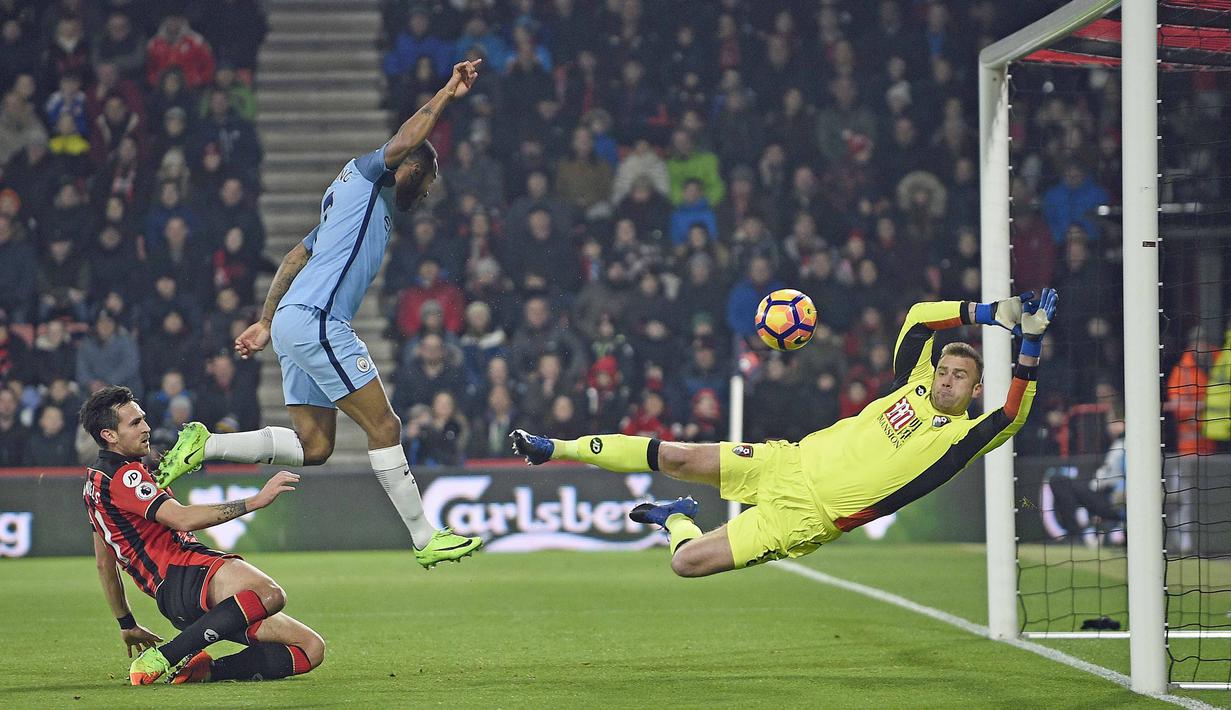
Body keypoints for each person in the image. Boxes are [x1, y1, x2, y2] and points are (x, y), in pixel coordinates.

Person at [157, 60, 485, 569]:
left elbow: (294, 258)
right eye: (427, 182)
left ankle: (205, 444)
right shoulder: (372, 175)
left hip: (293, 320)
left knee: (315, 446)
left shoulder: (345, 204)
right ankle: (424, 538)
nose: (425, 194)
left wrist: (267, 323)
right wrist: (447, 92)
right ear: (413, 169)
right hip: (319, 320)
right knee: (386, 426)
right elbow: (407, 136)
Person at [512, 290, 1058, 577]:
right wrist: (988, 312)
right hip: (785, 462)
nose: (945, 378)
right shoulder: (911, 387)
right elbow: (919, 319)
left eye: (959, 376)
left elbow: (1012, 413)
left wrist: (1029, 343)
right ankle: (553, 446)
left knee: (686, 562)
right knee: (676, 454)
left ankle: (674, 517)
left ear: (975, 390)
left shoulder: (958, 439)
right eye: (943, 369)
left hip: (805, 518)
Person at [79, 386, 323, 685]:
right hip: (185, 573)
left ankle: (206, 671)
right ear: (109, 435)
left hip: (178, 602)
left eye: (143, 419)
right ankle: (168, 654)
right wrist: (254, 501)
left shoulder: (95, 481)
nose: (146, 428)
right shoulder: (125, 476)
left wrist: (126, 623)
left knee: (310, 649)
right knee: (269, 593)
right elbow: (181, 518)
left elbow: (105, 563)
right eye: (134, 423)